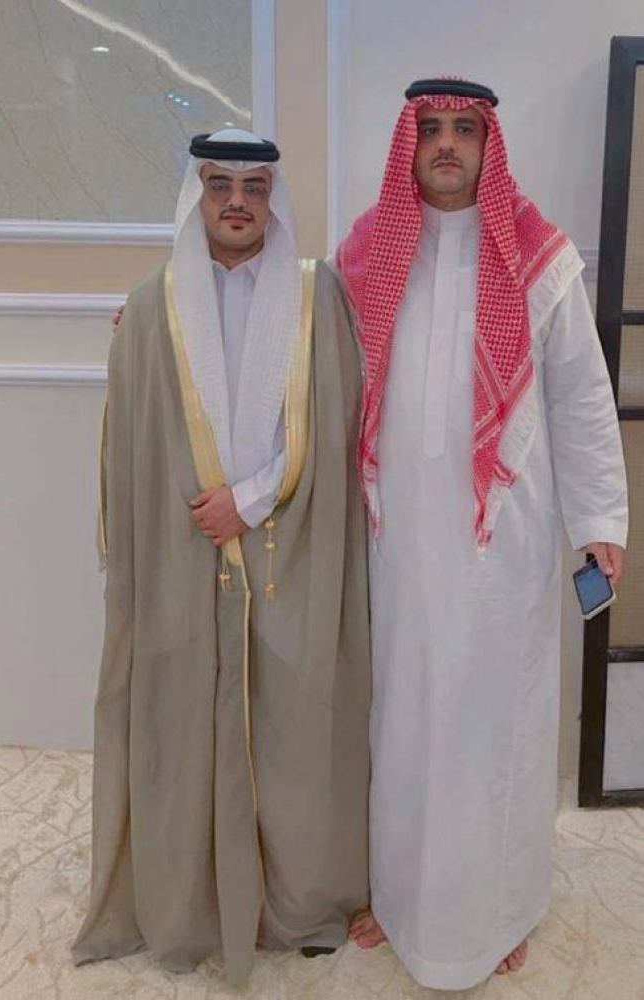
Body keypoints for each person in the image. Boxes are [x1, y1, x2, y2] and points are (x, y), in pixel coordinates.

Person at [337, 79, 628, 990]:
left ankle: (499, 911)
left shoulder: (540, 261)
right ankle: (399, 899)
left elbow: (581, 396)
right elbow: (304, 344)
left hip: (500, 544)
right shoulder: (366, 253)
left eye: (463, 129)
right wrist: (150, 318)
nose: (446, 144)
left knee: (492, 728)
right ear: (409, 142)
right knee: (403, 721)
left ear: (487, 143)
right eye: (431, 128)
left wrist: (599, 521)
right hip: (399, 546)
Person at [72, 129, 370, 987]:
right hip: (186, 555)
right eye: (218, 185)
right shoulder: (153, 306)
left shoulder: (316, 296)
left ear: (274, 198)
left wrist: (250, 500)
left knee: (296, 727)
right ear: (195, 195)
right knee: (184, 722)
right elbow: (143, 443)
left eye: (254, 186)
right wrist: (209, 511)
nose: (237, 202)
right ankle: (187, 904)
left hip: (286, 545)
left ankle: (299, 904)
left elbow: (333, 420)